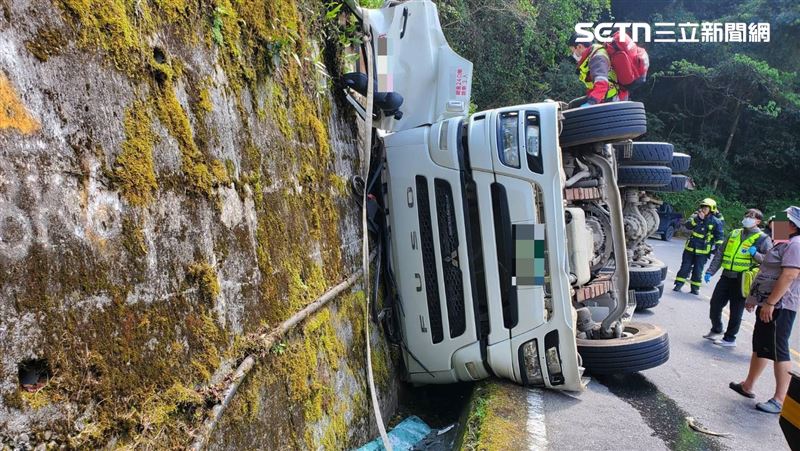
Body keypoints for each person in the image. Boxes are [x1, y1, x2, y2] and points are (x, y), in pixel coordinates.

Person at [729, 206, 800, 414]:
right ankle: (748, 385)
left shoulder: (796, 244)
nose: (775, 223)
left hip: (780, 305)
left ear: (792, 225)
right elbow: (766, 270)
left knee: (779, 350)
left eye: (781, 220)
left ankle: (780, 399)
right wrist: (755, 299)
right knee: (761, 345)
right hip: (767, 301)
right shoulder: (782, 240)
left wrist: (770, 303)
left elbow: (789, 275)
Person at [703, 209, 772, 346]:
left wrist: (756, 255)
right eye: (746, 215)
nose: (747, 218)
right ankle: (717, 328)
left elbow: (770, 260)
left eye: (751, 217)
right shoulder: (734, 233)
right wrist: (710, 271)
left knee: (736, 310)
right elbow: (720, 253)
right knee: (715, 304)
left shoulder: (763, 238)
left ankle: (730, 338)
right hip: (726, 276)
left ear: (758, 221)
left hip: (743, 279)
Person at [674, 198, 724, 295]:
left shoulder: (716, 221)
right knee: (685, 267)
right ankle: (678, 284)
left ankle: (695, 288)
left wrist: (717, 248)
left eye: (706, 208)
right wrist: (698, 219)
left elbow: (719, 236)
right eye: (703, 207)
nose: (703, 209)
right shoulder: (695, 216)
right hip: (690, 248)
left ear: (711, 209)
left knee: (698, 270)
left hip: (703, 251)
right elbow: (688, 226)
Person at [568, 34, 628, 107]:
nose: (572, 54)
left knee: (576, 108)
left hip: (614, 99)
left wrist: (590, 103)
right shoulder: (591, 55)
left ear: (579, 47)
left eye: (572, 50)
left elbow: (602, 85)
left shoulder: (597, 58)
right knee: (573, 105)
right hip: (605, 97)